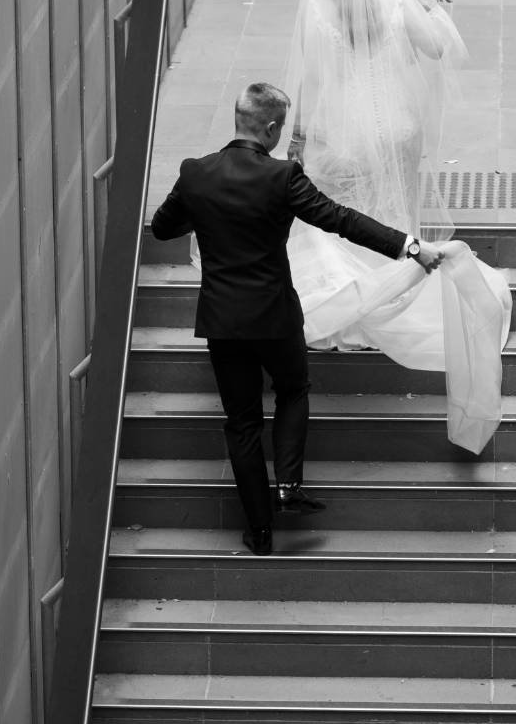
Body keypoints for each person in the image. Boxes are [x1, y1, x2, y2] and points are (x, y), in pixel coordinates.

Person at [149, 81, 444, 555]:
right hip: (274, 317)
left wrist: (204, 212)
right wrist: (410, 246)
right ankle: (288, 486)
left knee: (241, 422)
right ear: (270, 128)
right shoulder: (282, 177)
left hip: (223, 322)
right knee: (292, 389)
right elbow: (341, 219)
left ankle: (259, 531)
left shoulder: (195, 173)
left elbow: (163, 228)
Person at [282, 0, 513, 453]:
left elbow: (311, 78)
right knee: (395, 212)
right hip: (398, 124)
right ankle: (398, 294)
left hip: (342, 129)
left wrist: (299, 136)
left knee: (346, 216)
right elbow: (436, 48)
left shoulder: (318, 11)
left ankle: (354, 308)